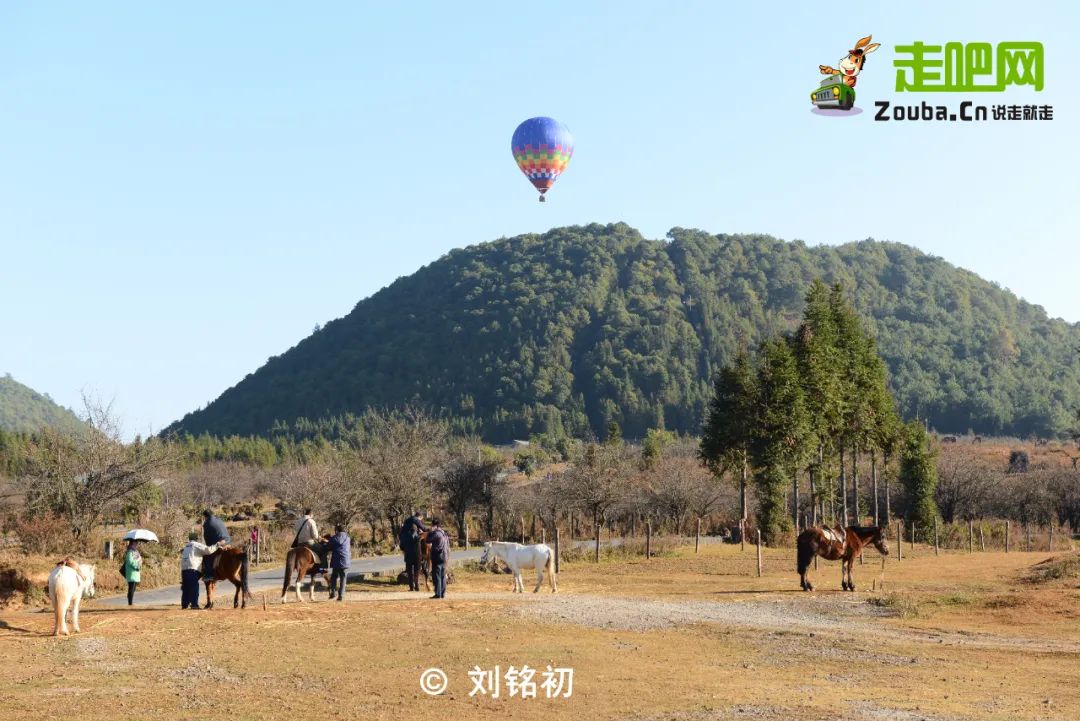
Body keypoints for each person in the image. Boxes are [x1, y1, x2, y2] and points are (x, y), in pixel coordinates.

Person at [180, 532, 221, 610]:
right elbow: (208, 550)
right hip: (193, 569)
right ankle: (194, 605)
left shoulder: (186, 546)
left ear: (189, 539)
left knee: (186, 587)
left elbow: (182, 552)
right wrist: (217, 544)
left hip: (184, 570)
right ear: (196, 539)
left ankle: (184, 605)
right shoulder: (197, 545)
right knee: (194, 586)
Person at [399, 511, 427, 592]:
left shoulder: (406, 525)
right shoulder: (417, 538)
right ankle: (417, 585)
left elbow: (401, 545)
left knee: (409, 570)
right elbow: (424, 528)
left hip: (407, 553)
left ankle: (411, 587)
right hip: (417, 553)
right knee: (417, 570)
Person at [202, 509, 231, 582]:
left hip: (220, 543)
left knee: (206, 556)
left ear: (205, 516)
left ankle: (209, 575)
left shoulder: (206, 523)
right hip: (228, 541)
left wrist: (208, 546)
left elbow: (207, 537)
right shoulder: (219, 519)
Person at [327, 524, 352, 602]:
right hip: (345, 561)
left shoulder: (333, 538)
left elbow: (329, 547)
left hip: (336, 561)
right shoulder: (348, 538)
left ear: (337, 530)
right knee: (343, 578)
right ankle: (341, 595)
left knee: (334, 577)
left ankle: (333, 593)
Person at [427, 518, 450, 600]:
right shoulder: (444, 533)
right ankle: (442, 593)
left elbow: (427, 540)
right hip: (445, 556)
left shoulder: (436, 533)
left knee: (437, 576)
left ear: (434, 525)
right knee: (443, 576)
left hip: (437, 556)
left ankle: (438, 593)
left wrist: (430, 532)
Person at [121, 540, 142, 605]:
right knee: (131, 588)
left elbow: (140, 559)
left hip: (136, 572)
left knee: (133, 588)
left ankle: (130, 602)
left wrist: (139, 563)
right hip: (131, 572)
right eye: (135, 543)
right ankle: (130, 603)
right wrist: (136, 565)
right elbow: (130, 561)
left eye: (137, 543)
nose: (137, 544)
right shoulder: (130, 552)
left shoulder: (136, 551)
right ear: (132, 543)